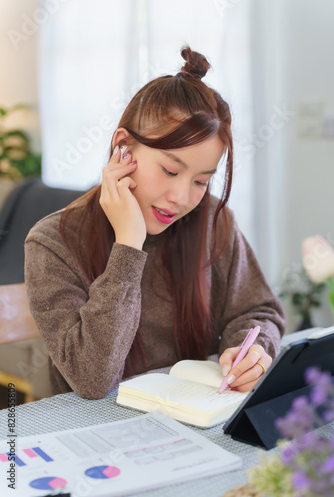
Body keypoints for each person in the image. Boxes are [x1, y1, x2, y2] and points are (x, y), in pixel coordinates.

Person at [25, 45, 285, 400]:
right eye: (170, 170)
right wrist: (128, 246)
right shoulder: (52, 242)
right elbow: (92, 380)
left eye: (200, 181)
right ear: (123, 147)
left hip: (191, 424)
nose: (181, 197)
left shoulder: (212, 220)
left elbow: (258, 310)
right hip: (94, 433)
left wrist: (251, 350)